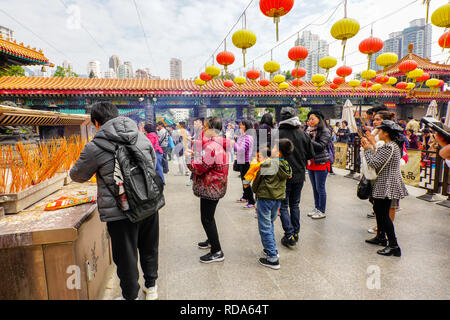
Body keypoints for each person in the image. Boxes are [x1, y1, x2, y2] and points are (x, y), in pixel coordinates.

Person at [70, 102, 159, 300]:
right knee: (149, 246)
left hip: (121, 210)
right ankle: (151, 288)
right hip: (149, 203)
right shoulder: (142, 137)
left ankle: (130, 296)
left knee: (125, 256)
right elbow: (152, 164)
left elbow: (78, 175)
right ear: (118, 116)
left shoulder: (95, 146)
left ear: (96, 122)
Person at [361, 120, 408, 257]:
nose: (378, 133)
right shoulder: (391, 145)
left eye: (380, 130)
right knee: (377, 209)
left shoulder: (389, 147)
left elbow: (374, 162)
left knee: (383, 213)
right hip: (385, 182)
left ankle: (393, 245)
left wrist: (367, 149)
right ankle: (381, 237)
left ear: (386, 132)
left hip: (387, 183)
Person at [186, 116, 230, 263]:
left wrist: (188, 159)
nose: (203, 129)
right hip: (216, 184)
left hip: (211, 187)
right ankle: (211, 240)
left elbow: (198, 168)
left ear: (212, 129)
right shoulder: (217, 144)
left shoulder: (211, 146)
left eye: (205, 126)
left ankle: (217, 251)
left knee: (207, 219)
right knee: (209, 217)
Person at [252, 140, 293, 269]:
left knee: (264, 226)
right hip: (278, 198)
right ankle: (272, 248)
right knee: (270, 224)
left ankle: (272, 257)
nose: (272, 148)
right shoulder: (286, 165)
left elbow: (257, 180)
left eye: (274, 147)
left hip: (265, 197)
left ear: (279, 152)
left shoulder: (268, 164)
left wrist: (254, 191)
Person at [278, 107, 314, 247]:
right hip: (299, 175)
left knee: (283, 205)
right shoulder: (303, 134)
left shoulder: (276, 134)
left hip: (282, 176)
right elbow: (311, 155)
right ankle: (296, 233)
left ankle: (289, 234)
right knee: (295, 204)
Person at [305, 111, 332, 219]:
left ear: (319, 119)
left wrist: (307, 139)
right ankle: (316, 207)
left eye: (312, 119)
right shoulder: (308, 131)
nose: (310, 121)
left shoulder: (325, 131)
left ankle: (322, 210)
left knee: (320, 188)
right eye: (309, 119)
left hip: (321, 162)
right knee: (314, 187)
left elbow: (321, 146)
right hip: (311, 162)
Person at [234, 119, 256, 209]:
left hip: (246, 162)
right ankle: (245, 197)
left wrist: (233, 144)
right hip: (243, 161)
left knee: (246, 181)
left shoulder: (247, 137)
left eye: (242, 125)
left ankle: (252, 201)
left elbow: (240, 149)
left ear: (245, 126)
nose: (240, 126)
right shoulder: (244, 136)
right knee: (243, 181)